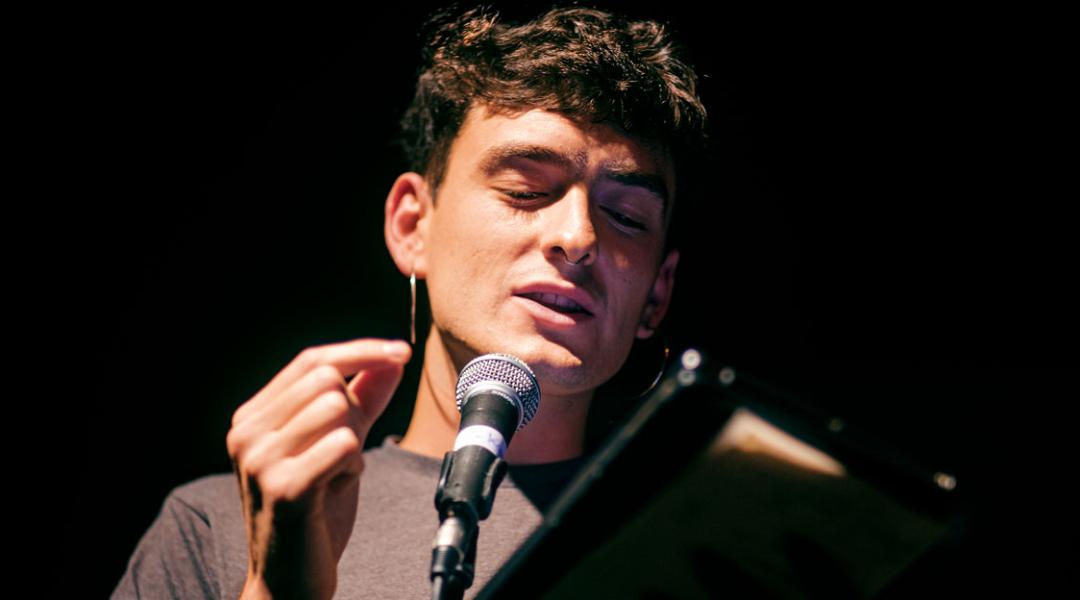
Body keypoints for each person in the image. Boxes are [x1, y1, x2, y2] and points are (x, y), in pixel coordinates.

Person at [111, 4, 708, 599]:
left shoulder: (713, 546)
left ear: (657, 293)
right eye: (526, 191)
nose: (578, 237)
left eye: (626, 217)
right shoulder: (224, 527)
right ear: (412, 225)